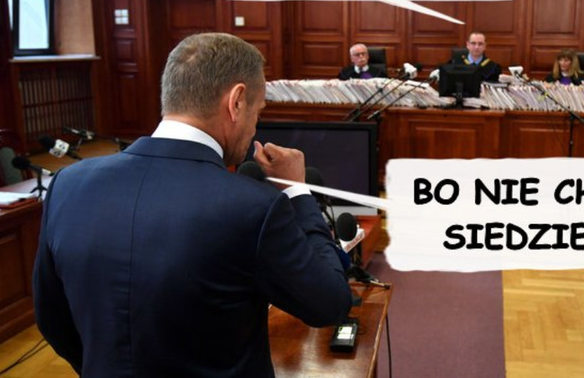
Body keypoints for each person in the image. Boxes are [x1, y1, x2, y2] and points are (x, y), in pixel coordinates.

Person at [33, 33, 352, 377]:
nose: (254, 128)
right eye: (258, 112)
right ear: (237, 102)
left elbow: (52, 319)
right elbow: (329, 304)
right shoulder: (254, 207)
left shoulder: (68, 185)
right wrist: (298, 191)